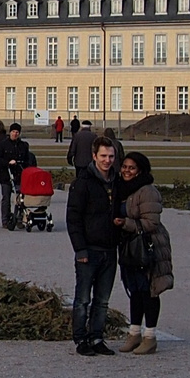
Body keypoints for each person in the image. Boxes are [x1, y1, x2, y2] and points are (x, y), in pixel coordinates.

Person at [66, 135, 124, 356]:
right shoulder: (83, 183)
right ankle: (81, 339)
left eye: (110, 156)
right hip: (88, 249)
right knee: (83, 299)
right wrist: (79, 249)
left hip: (109, 249)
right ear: (94, 156)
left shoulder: (117, 182)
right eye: (103, 156)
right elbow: (74, 218)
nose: (107, 160)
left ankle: (97, 337)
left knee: (102, 300)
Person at [116, 151, 174, 354]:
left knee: (149, 291)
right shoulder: (122, 188)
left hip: (148, 245)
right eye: (124, 166)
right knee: (135, 291)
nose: (126, 171)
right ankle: (134, 333)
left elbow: (151, 222)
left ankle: (150, 336)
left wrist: (125, 223)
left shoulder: (147, 190)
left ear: (140, 170)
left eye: (131, 168)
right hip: (130, 246)